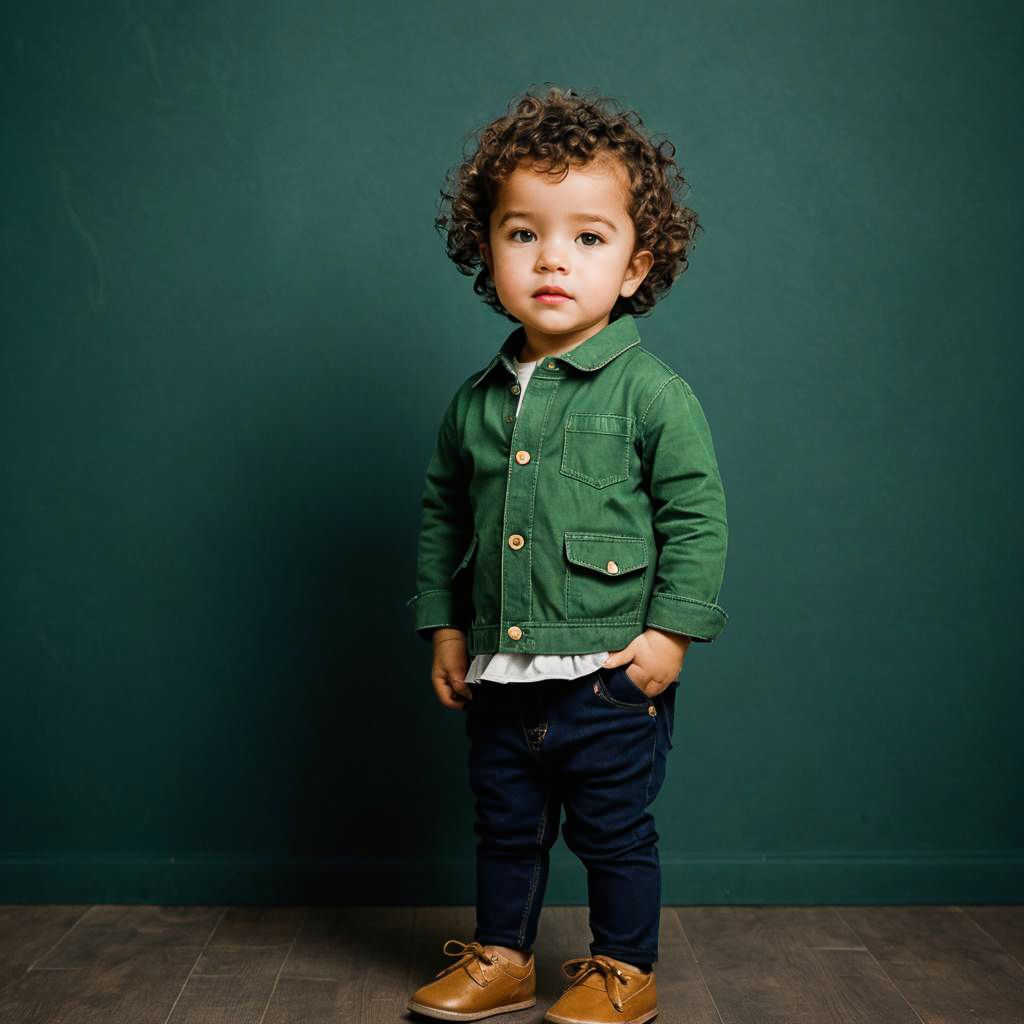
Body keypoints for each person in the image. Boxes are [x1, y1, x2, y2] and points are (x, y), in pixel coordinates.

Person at [405, 85, 729, 1024]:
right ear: (485, 250)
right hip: (503, 674)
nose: (553, 257)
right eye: (522, 233)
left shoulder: (653, 395)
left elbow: (697, 518)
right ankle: (504, 956)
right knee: (505, 828)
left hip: (606, 676)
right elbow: (440, 518)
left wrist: (668, 640)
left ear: (637, 265)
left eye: (589, 237)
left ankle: (623, 969)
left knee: (614, 833)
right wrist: (445, 629)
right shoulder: (474, 403)